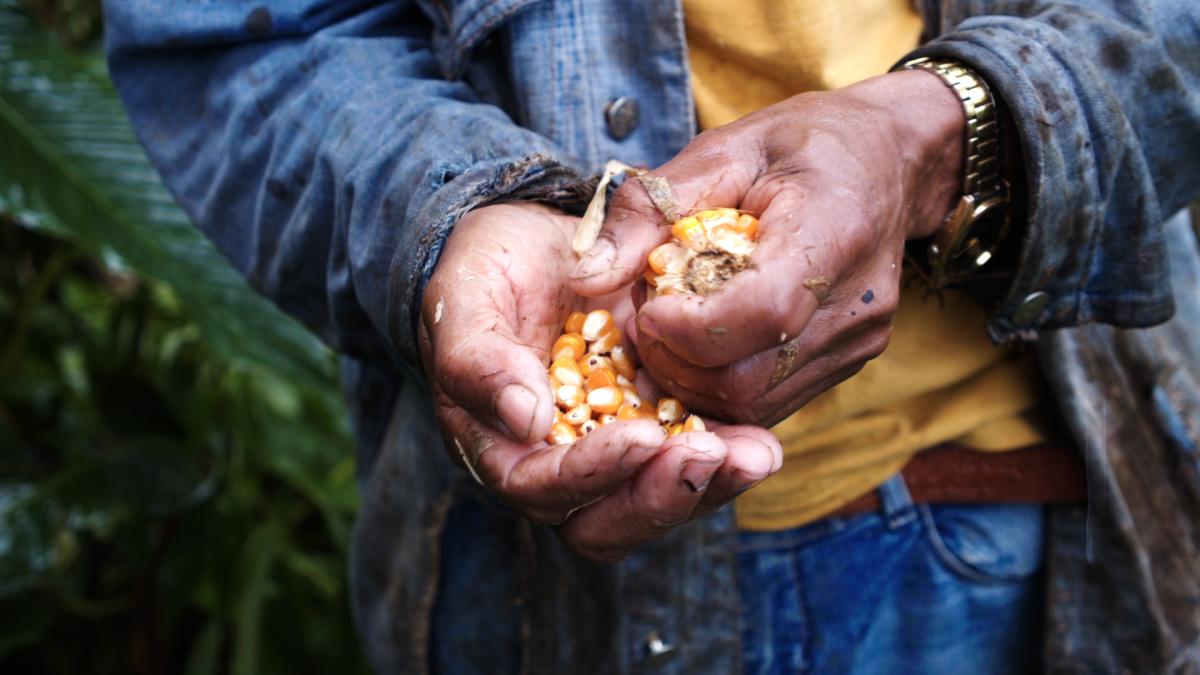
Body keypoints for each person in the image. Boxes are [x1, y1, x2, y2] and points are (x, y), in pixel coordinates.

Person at [103, 0, 1200, 672]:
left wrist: (946, 135)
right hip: (524, 596)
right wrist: (445, 217)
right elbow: (240, 34)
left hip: (1015, 511)